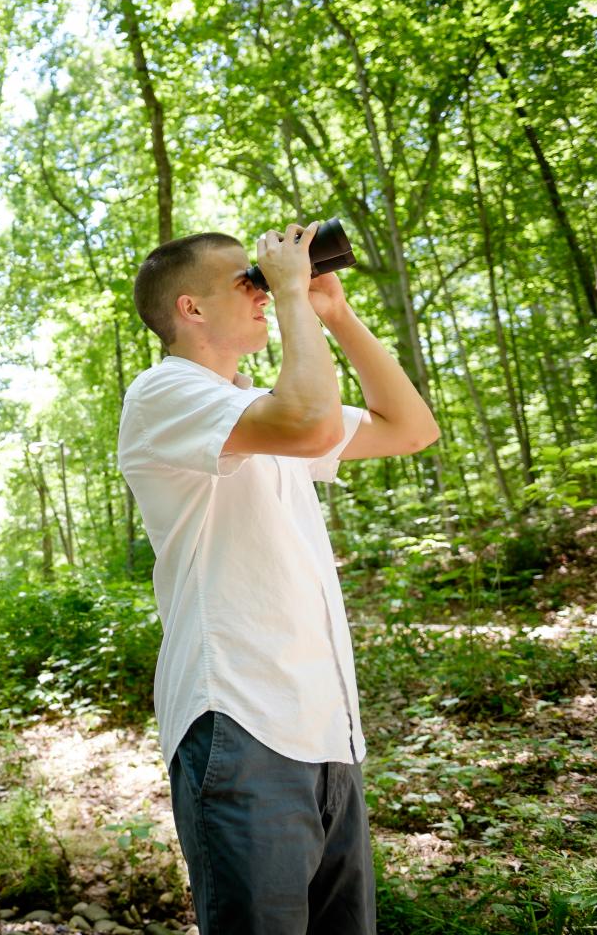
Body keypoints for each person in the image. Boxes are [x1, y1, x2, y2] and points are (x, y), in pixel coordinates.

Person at [118, 223, 440, 934]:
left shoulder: (264, 405)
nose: (265, 288)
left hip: (325, 732)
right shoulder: (164, 392)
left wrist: (333, 311)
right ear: (190, 309)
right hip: (241, 722)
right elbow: (309, 422)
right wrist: (292, 294)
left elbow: (412, 430)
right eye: (248, 280)